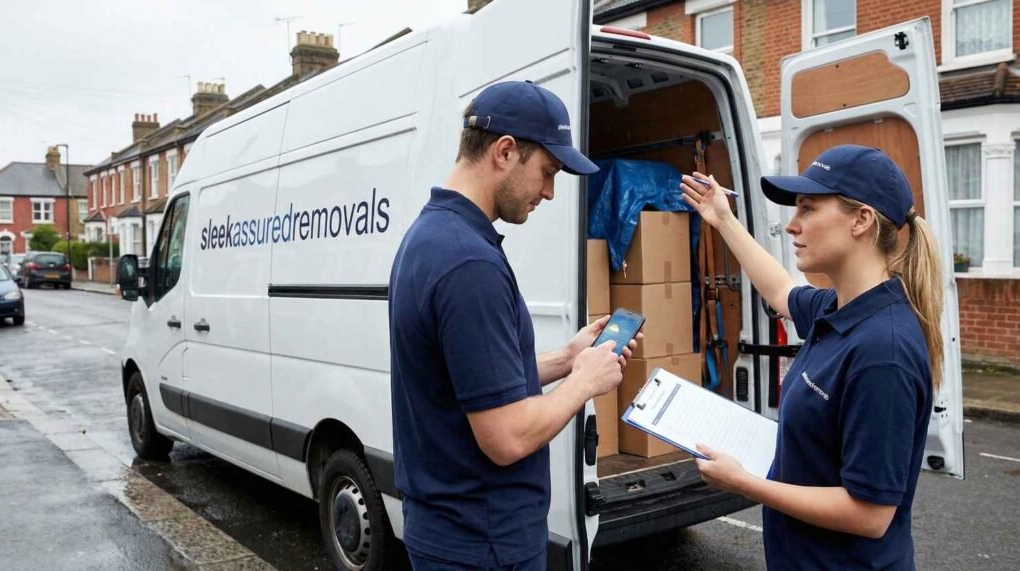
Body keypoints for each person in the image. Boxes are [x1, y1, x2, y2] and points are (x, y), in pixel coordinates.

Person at [388, 80, 640, 570]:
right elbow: (505, 437)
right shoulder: (469, 264)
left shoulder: (432, 235)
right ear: (504, 151)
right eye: (547, 171)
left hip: (450, 533)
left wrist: (566, 360)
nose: (549, 191)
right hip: (483, 544)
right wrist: (583, 383)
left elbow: (474, 382)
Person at [680, 145, 943, 570]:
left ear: (861, 220)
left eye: (808, 208)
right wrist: (723, 219)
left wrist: (745, 483)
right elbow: (780, 290)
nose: (791, 225)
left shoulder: (883, 352)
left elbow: (870, 514)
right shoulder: (836, 308)